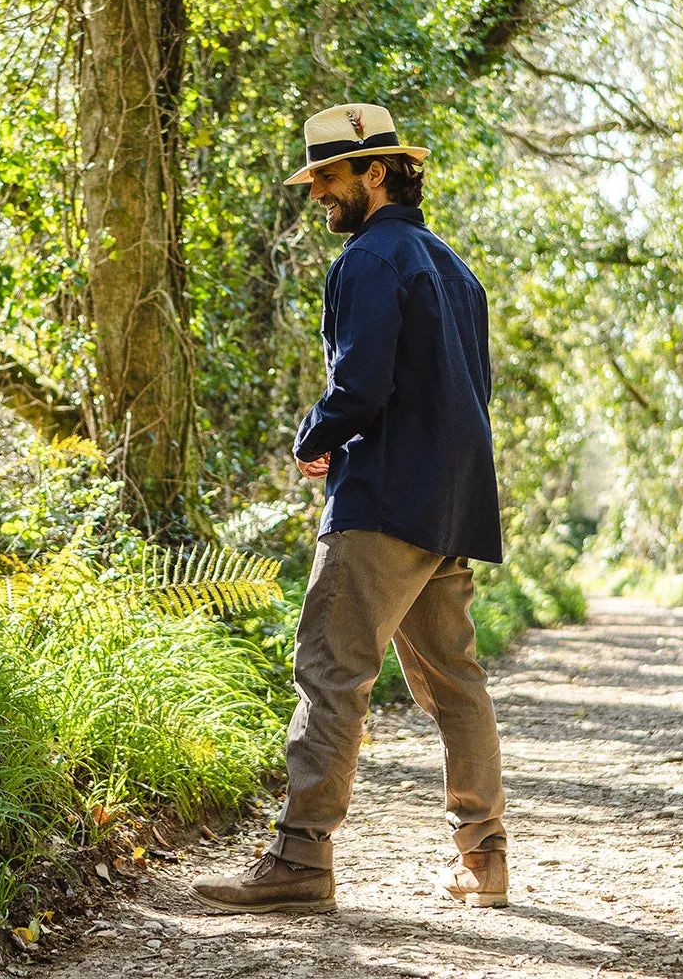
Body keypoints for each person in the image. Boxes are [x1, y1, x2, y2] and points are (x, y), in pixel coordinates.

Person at [189, 103, 508, 914]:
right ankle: (484, 859)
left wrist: (314, 437)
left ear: (376, 172)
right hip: (451, 505)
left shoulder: (370, 258)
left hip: (382, 500)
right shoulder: (456, 268)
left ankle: (299, 861)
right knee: (456, 683)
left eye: (328, 177)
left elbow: (360, 383)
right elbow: (471, 390)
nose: (317, 194)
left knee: (331, 672)